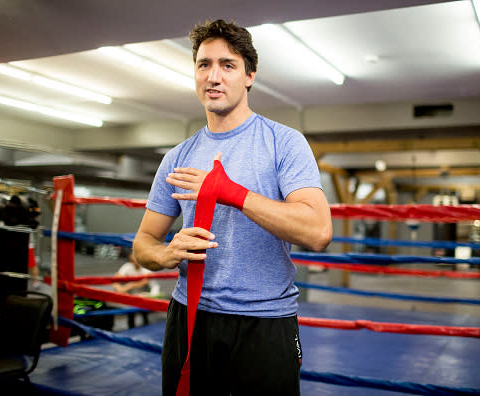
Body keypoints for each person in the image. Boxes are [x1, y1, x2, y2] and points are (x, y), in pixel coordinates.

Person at [133, 19, 332, 396]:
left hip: (264, 323)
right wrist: (166, 253)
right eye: (204, 64)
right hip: (190, 318)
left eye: (228, 65)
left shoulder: (284, 143)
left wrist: (233, 193)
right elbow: (144, 241)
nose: (213, 76)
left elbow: (318, 232)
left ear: (250, 76)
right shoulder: (178, 157)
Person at [112, 252, 161, 327]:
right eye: (133, 260)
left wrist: (130, 286)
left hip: (148, 292)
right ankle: (131, 328)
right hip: (134, 294)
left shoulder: (146, 267)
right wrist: (119, 288)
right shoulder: (128, 266)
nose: (134, 262)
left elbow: (145, 281)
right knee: (131, 310)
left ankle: (146, 325)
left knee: (144, 311)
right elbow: (115, 278)